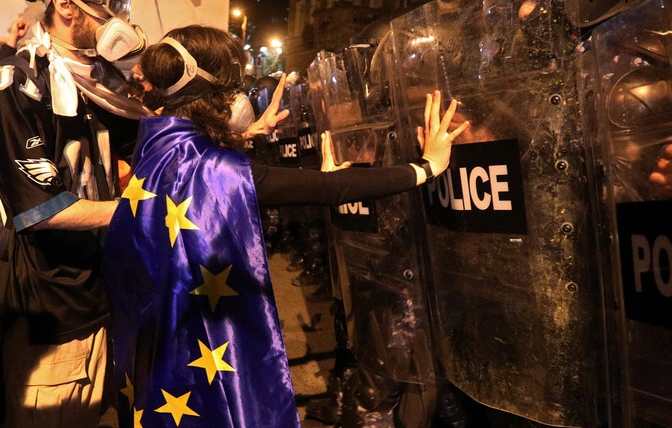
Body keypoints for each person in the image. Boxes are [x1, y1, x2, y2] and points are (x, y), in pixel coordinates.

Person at [99, 25, 468, 428]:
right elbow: (330, 188)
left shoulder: (156, 144)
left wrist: (251, 136)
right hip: (200, 352)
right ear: (216, 91)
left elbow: (208, 162)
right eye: (234, 85)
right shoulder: (217, 169)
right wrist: (425, 167)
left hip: (161, 344)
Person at [0, 0, 149, 426]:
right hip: (56, 315)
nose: (121, 18)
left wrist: (233, 142)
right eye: (113, 2)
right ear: (66, 4)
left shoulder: (100, 81)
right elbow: (42, 209)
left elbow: (154, 147)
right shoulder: (17, 82)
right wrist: (139, 211)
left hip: (107, 298)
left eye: (124, 2)